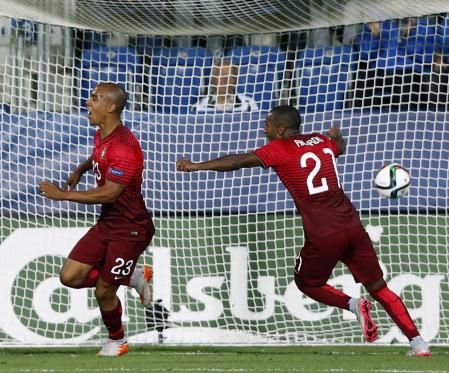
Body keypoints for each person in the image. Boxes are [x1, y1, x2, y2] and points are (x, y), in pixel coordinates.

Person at [176, 105, 431, 357]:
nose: (263, 128)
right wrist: (337, 136)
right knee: (379, 287)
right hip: (352, 226)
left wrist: (198, 166)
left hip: (323, 234)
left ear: (281, 129)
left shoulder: (279, 148)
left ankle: (353, 304)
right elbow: (339, 147)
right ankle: (418, 344)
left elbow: (239, 160)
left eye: (267, 124)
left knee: (307, 282)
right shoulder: (321, 140)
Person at [39, 82, 154, 357]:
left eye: (95, 98)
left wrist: (65, 196)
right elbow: (97, 158)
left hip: (131, 229)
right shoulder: (102, 134)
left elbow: (111, 193)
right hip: (108, 223)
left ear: (111, 106)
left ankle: (118, 340)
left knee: (103, 290)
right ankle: (133, 277)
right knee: (69, 276)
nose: (88, 103)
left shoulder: (125, 146)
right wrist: (80, 169)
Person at [193, 58, 257, 112]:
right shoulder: (199, 107)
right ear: (213, 80)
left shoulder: (249, 105)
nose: (225, 80)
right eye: (222, 76)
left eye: (229, 76)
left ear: (235, 80)